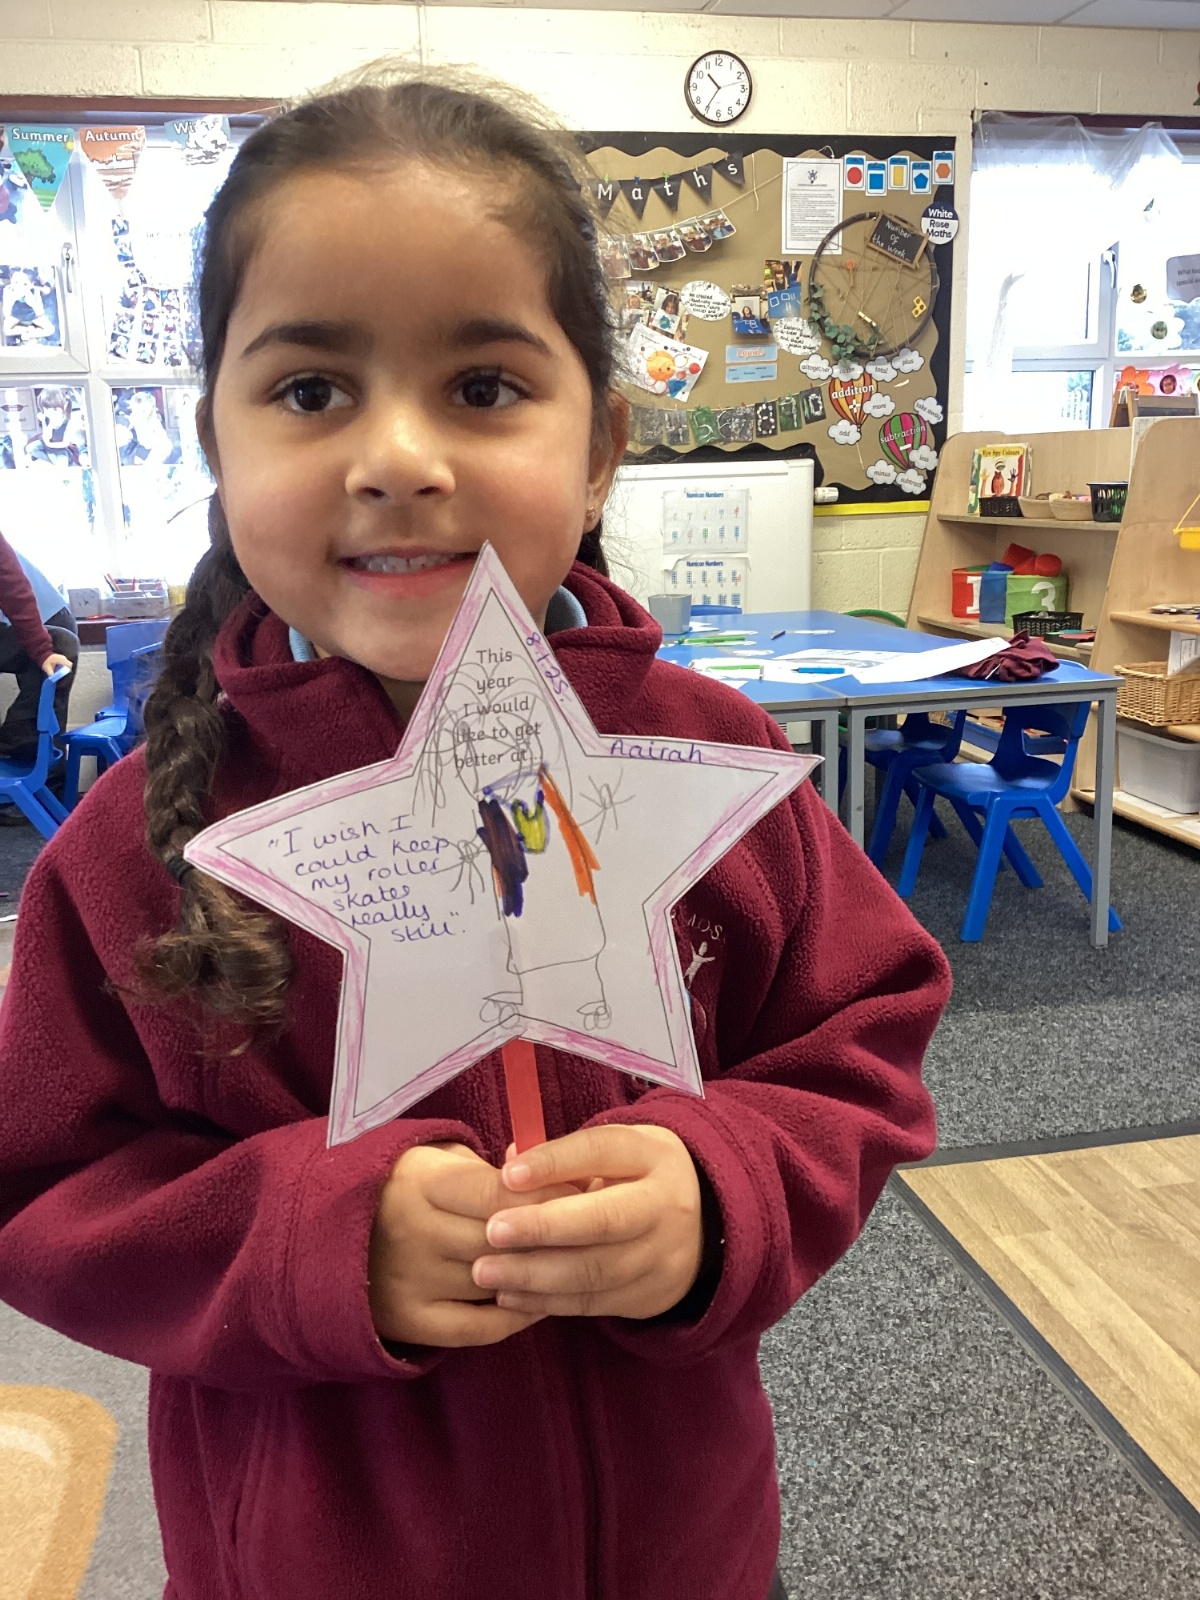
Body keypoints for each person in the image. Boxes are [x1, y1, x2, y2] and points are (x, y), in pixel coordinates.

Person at [0, 69, 950, 1600]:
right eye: (311, 391)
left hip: (689, 1556)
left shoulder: (712, 763)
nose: (399, 456)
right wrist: (309, 1241)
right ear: (217, 443)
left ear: (601, 449)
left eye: (486, 387)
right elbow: (43, 1194)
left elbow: (862, 1040)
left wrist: (722, 1189)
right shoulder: (137, 857)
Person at [0, 532, 76, 774]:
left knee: (41, 735)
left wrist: (42, 650)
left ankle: (47, 784)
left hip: (44, 616)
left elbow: (12, 586)